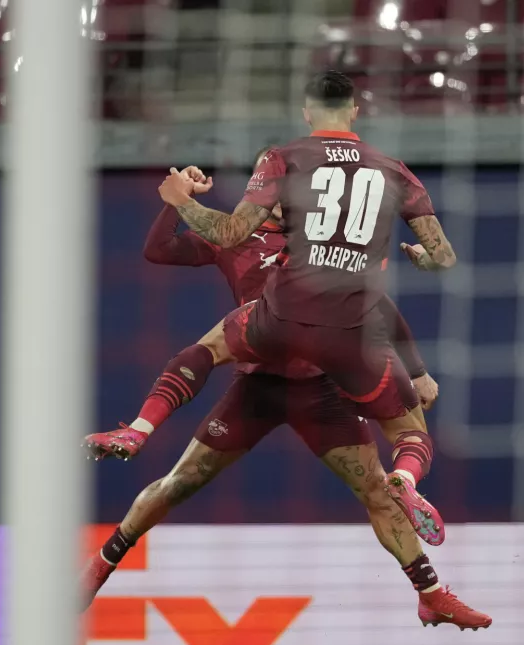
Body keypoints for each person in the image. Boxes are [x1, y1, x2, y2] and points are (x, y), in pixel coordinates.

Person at [81, 160, 491, 630]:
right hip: (258, 385)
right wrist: (174, 203)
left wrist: (417, 370)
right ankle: (100, 567)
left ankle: (431, 593)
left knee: (378, 491)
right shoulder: (232, 233)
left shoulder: (320, 241)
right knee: (180, 482)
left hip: (322, 389)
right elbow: (157, 251)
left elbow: (375, 300)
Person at [152, 70, 458, 549]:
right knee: (408, 431)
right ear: (355, 110)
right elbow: (443, 257)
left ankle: (139, 427)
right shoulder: (394, 170)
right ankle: (407, 481)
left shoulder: (285, 158)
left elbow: (229, 233)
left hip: (284, 322)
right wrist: (421, 259)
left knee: (211, 347)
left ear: (306, 111)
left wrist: (179, 202)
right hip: (351, 336)